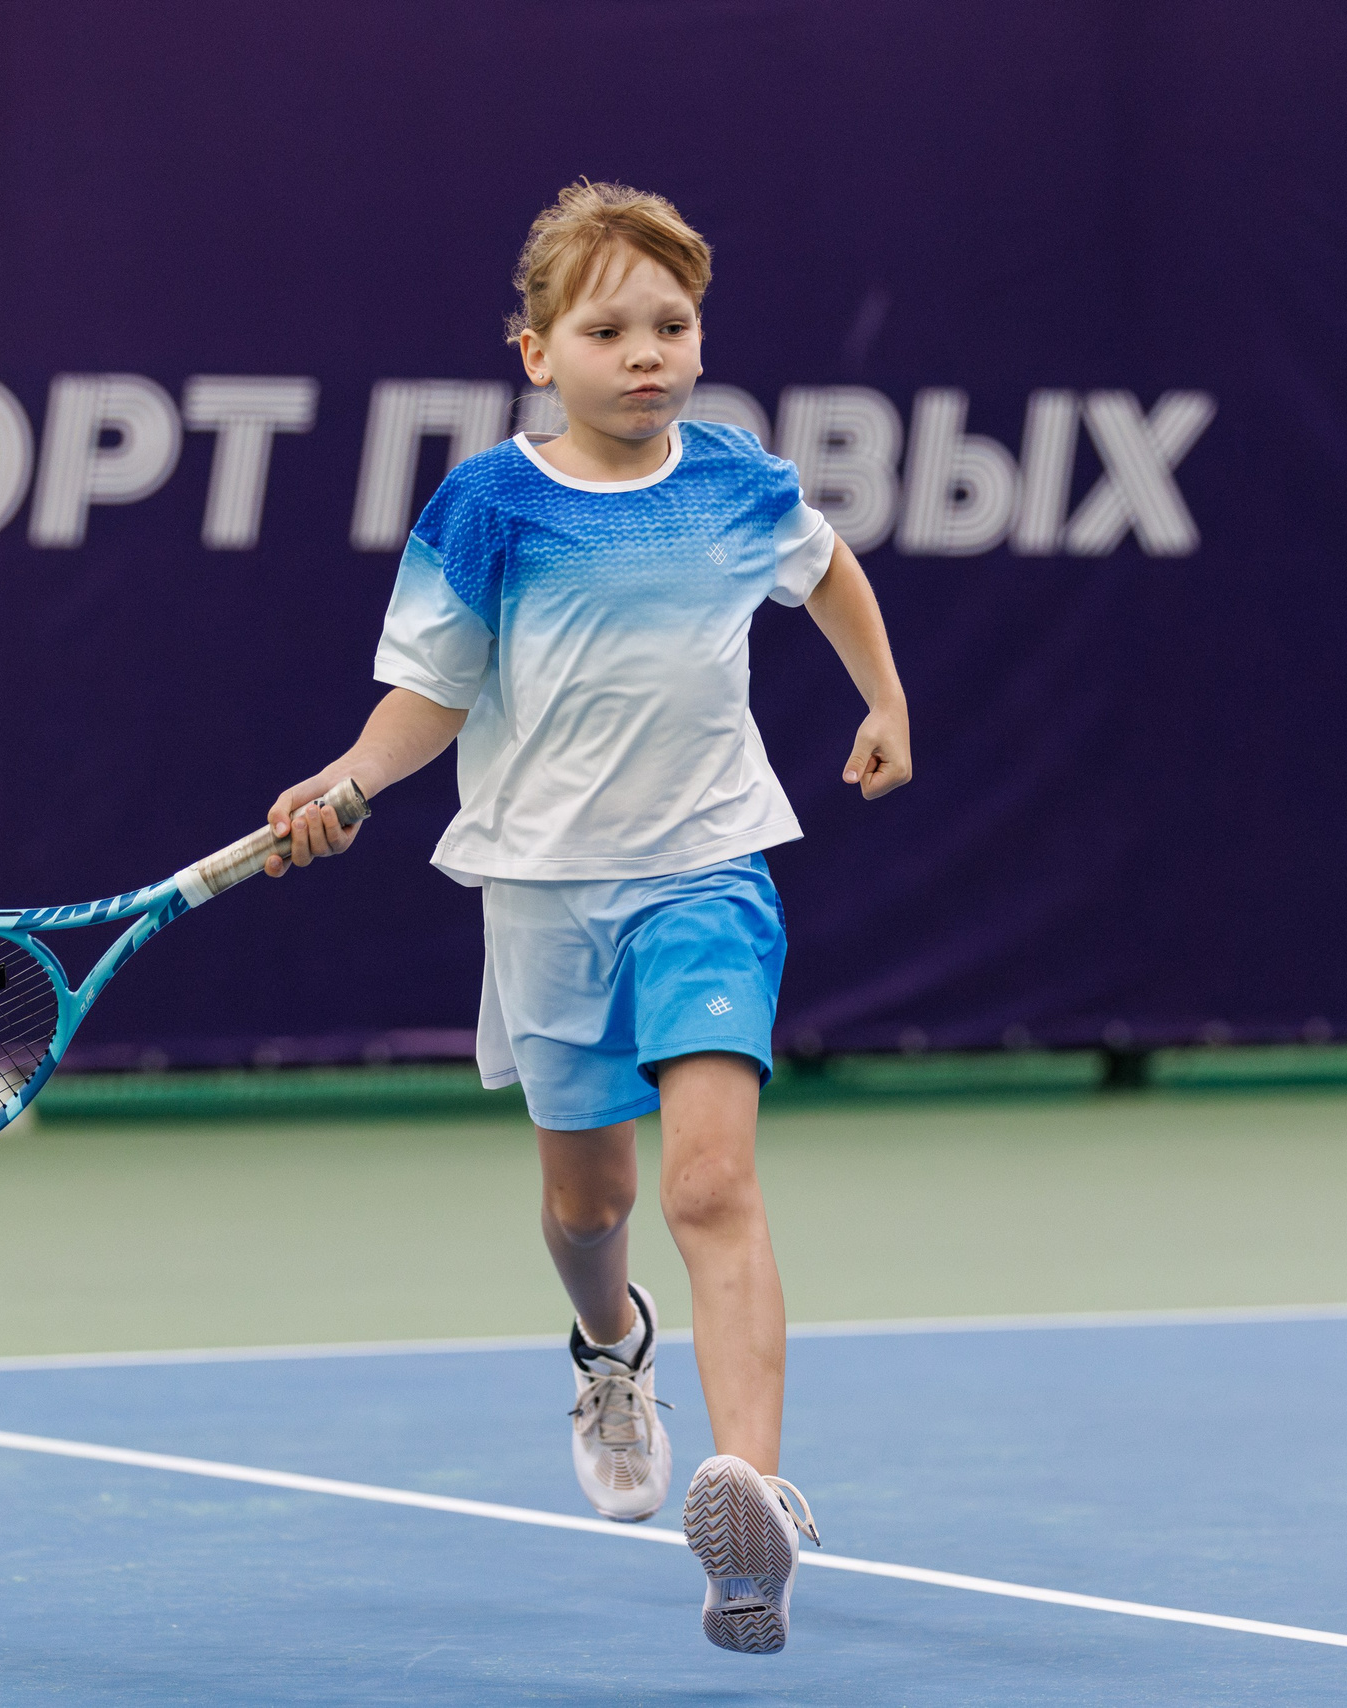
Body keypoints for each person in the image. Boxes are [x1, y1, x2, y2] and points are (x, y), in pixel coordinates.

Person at [261, 179, 910, 1654]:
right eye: (606, 327)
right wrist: (352, 781)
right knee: (592, 1205)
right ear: (535, 352)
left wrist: (884, 698)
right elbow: (431, 692)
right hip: (543, 891)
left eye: (671, 324)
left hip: (708, 875)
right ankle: (612, 1350)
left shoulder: (737, 481)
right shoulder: (490, 506)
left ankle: (751, 1496)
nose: (646, 352)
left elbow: (829, 572)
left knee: (711, 1188)